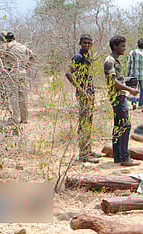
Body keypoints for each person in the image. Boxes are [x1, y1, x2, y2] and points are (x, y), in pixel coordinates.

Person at [65, 34, 103, 163]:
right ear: (80, 43)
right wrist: (81, 90)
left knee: (88, 122)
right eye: (84, 43)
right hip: (84, 93)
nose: (86, 45)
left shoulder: (88, 56)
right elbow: (68, 73)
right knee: (84, 123)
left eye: (89, 43)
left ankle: (88, 150)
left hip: (90, 92)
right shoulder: (78, 57)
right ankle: (83, 154)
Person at [104, 35, 141, 166]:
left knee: (119, 126)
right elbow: (113, 82)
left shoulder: (115, 61)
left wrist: (126, 82)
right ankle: (124, 158)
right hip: (118, 97)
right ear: (115, 46)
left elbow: (117, 80)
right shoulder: (110, 61)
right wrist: (130, 90)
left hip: (119, 96)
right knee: (125, 126)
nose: (124, 48)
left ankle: (118, 156)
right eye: (122, 46)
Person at [0, 31, 35, 124]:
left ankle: (15, 118)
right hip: (22, 72)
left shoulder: (7, 48)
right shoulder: (23, 47)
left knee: (14, 96)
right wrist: (26, 66)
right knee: (23, 96)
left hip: (12, 73)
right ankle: (24, 118)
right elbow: (33, 56)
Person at [126, 38, 143, 111]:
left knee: (133, 89)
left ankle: (133, 102)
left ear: (137, 44)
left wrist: (128, 73)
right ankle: (140, 105)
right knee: (142, 89)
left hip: (133, 74)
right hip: (142, 75)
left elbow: (129, 64)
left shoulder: (132, 53)